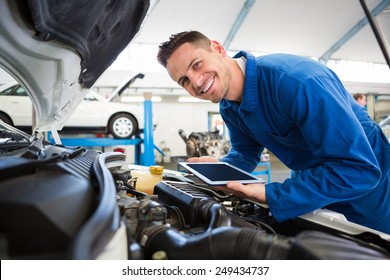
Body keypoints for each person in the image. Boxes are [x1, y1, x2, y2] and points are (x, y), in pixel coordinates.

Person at [157, 31, 390, 234]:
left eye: (196, 64)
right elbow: (245, 154)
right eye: (184, 80)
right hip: (313, 179)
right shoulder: (228, 107)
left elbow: (359, 170)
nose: (196, 82)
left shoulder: (297, 82)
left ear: (218, 49)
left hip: (368, 190)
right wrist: (219, 170)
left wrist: (272, 194)